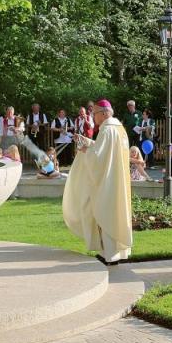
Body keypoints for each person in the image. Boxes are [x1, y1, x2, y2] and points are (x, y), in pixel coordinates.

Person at [62, 99, 132, 265]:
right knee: (115, 214)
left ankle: (110, 255)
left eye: (94, 114)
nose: (93, 117)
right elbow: (105, 151)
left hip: (107, 182)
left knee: (105, 213)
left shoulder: (107, 130)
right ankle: (114, 254)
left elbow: (98, 157)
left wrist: (84, 149)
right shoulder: (119, 129)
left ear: (104, 113)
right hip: (117, 180)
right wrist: (87, 142)